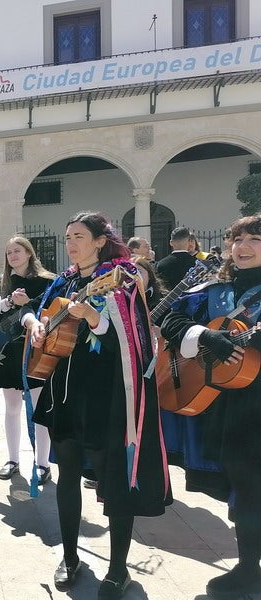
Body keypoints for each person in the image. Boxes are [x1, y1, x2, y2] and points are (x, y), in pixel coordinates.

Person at [22, 212, 171, 599]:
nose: (71, 242)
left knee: (116, 480)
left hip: (107, 396)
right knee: (67, 473)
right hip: (64, 394)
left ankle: (118, 569)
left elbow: (134, 339)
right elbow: (39, 313)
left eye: (79, 236)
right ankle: (70, 556)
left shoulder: (122, 278)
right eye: (67, 235)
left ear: (100, 240)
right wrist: (34, 324)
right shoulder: (65, 279)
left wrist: (95, 319)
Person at [160, 215, 261, 599]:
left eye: (254, 239)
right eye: (237, 239)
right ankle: (249, 567)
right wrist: (204, 334)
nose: (244, 247)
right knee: (244, 486)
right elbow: (170, 316)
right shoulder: (215, 291)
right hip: (228, 404)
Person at [0, 237, 54, 484]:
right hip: (9, 351)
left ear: (29, 253)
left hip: (37, 349)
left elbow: (53, 311)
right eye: (9, 252)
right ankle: (13, 459)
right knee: (11, 406)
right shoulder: (0, 282)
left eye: (17, 250)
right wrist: (6, 302)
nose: (12, 255)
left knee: (38, 408)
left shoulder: (47, 281)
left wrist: (29, 304)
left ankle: (42, 463)